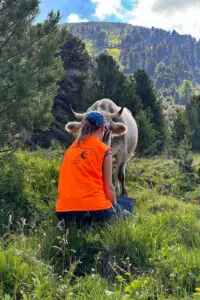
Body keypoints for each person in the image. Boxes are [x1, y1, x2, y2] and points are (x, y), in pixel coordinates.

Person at [56, 111, 118, 227]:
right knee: (123, 216)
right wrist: (115, 206)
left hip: (63, 211)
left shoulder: (70, 150)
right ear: (102, 129)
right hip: (94, 210)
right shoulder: (104, 150)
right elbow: (109, 188)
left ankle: (68, 226)